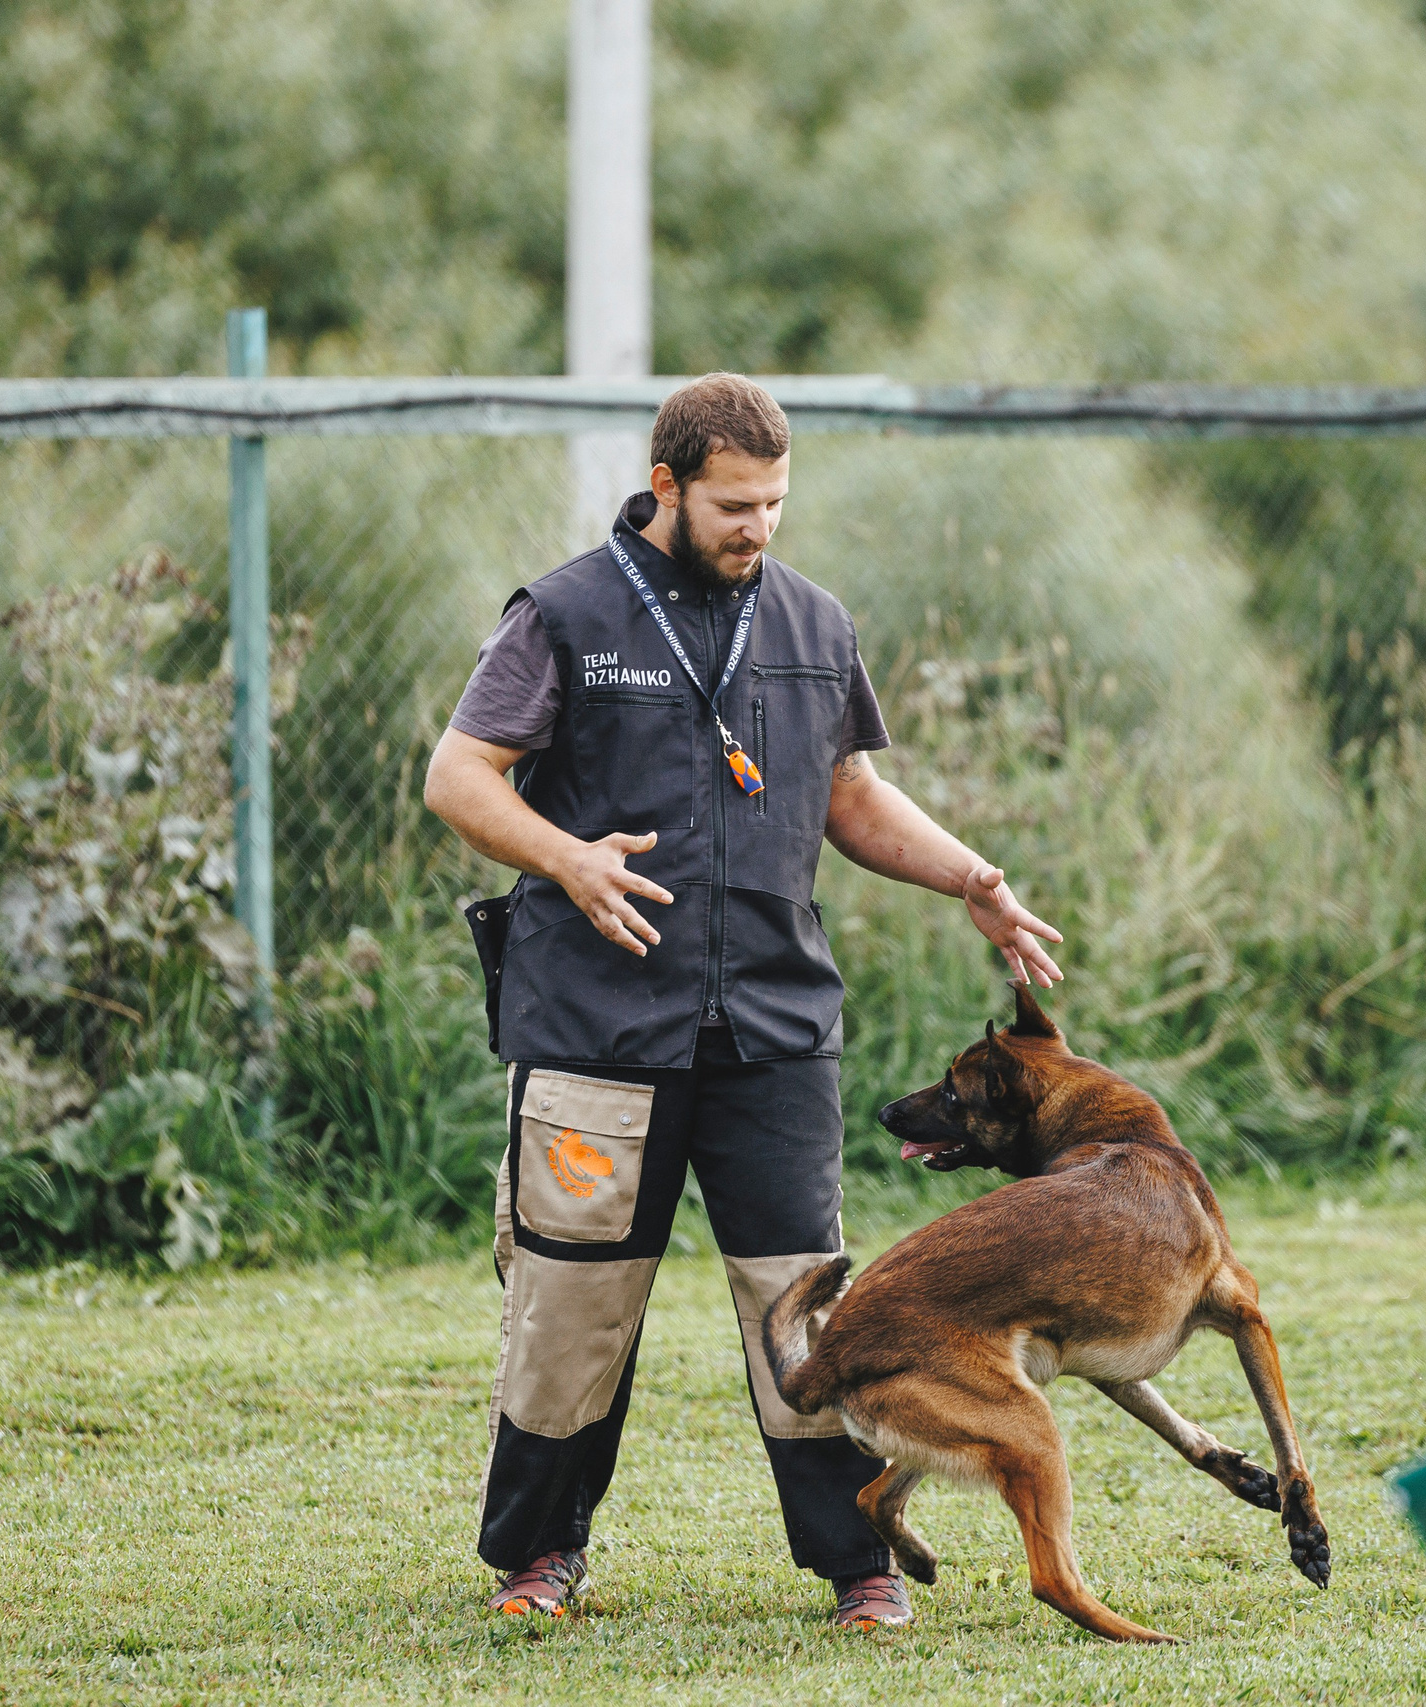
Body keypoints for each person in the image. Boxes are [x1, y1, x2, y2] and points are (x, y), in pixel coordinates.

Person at [422, 373, 1067, 1630]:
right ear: (665, 486)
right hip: (594, 1032)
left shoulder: (815, 624)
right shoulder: (563, 613)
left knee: (812, 1307)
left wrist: (971, 879)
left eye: (774, 501)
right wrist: (566, 856)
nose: (756, 525)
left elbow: (852, 798)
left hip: (772, 1031)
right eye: (732, 503)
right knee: (572, 1306)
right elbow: (459, 774)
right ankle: (539, 1559)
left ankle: (861, 1564)